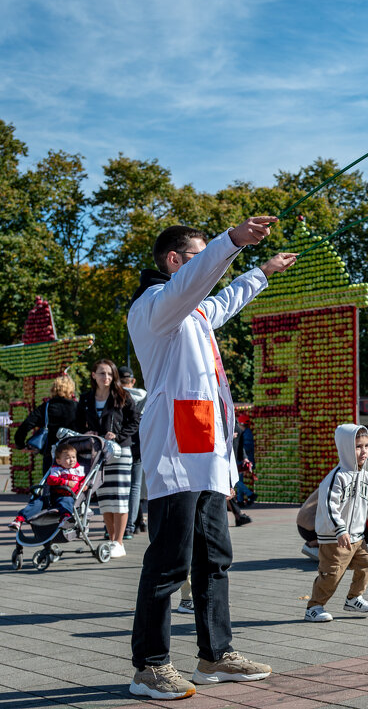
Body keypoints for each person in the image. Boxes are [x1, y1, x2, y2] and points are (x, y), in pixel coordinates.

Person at [127, 217, 296, 700]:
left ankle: (214, 655)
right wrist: (232, 241)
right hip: (178, 452)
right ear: (175, 262)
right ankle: (150, 665)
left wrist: (261, 271)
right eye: (199, 259)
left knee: (215, 557)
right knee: (169, 560)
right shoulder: (155, 306)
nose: (209, 270)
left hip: (206, 450)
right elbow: (198, 284)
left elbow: (223, 301)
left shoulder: (194, 312)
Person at [304, 424, 368, 622]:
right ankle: (314, 606)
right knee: (332, 574)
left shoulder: (365, 475)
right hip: (335, 538)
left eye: (366, 446)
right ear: (345, 448)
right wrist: (339, 529)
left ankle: (354, 598)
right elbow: (329, 507)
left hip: (357, 537)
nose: (363, 451)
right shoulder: (336, 477)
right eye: (358, 447)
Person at [76, 359, 139, 557]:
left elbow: (135, 420)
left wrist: (118, 436)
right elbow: (78, 423)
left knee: (119, 498)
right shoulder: (86, 399)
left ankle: (119, 542)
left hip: (120, 453)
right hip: (98, 453)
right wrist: (88, 432)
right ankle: (112, 540)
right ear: (93, 375)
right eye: (102, 373)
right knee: (105, 499)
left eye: (110, 374)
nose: (107, 377)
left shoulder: (122, 396)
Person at [8, 442, 84, 531]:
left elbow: (83, 480)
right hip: (52, 496)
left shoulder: (79, 470)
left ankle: (65, 519)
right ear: (59, 461)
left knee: (66, 502)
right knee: (37, 502)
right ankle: (19, 520)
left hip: (67, 496)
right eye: (67, 458)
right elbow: (51, 480)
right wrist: (66, 482)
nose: (72, 460)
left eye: (74, 457)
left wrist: (84, 485)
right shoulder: (57, 469)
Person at [14, 374, 79, 474]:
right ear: (71, 390)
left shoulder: (46, 407)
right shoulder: (78, 407)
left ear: (53, 389)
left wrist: (20, 444)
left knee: (50, 483)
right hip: (74, 454)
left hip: (52, 454)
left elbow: (26, 425)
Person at [119, 366, 148, 540]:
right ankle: (133, 523)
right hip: (139, 442)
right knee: (135, 485)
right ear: (133, 381)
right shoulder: (144, 395)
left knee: (121, 485)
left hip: (121, 442)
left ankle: (128, 524)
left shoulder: (114, 395)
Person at [297, 487, 321, 560]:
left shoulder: (331, 479)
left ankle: (318, 544)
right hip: (311, 527)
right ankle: (312, 544)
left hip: (303, 524)